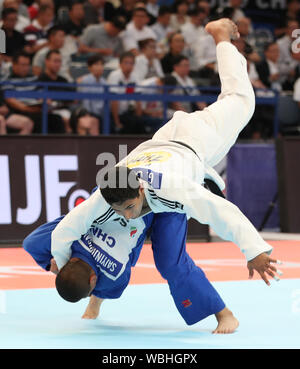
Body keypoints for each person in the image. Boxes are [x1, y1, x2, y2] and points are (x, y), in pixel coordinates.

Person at [51, 20, 282, 300]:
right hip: (166, 144)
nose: (126, 215)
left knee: (242, 99)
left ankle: (221, 35)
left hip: (196, 140)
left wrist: (254, 250)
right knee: (231, 110)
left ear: (140, 190)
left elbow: (220, 211)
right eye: (122, 209)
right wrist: (63, 265)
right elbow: (64, 230)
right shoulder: (108, 193)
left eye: (129, 207)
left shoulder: (171, 188)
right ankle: (205, 173)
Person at [23, 200, 238, 333]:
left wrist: (64, 257)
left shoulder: (114, 276)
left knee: (171, 265)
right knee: (127, 254)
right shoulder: (70, 237)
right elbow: (32, 242)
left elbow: (114, 287)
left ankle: (224, 312)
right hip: (124, 205)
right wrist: (66, 254)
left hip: (163, 201)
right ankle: (92, 295)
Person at [106, 51, 145, 134]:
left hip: (126, 113)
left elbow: (138, 100)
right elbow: (114, 101)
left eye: (131, 63)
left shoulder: (135, 77)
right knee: (122, 130)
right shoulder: (114, 76)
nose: (129, 66)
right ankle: (122, 147)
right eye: (126, 63)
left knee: (139, 124)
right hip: (111, 114)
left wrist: (139, 118)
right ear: (120, 64)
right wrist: (117, 122)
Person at [77, 53, 106, 128]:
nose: (100, 67)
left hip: (102, 114)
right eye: (96, 64)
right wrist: (88, 114)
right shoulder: (85, 80)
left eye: (101, 64)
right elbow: (85, 102)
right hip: (88, 113)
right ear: (89, 67)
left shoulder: (104, 82)